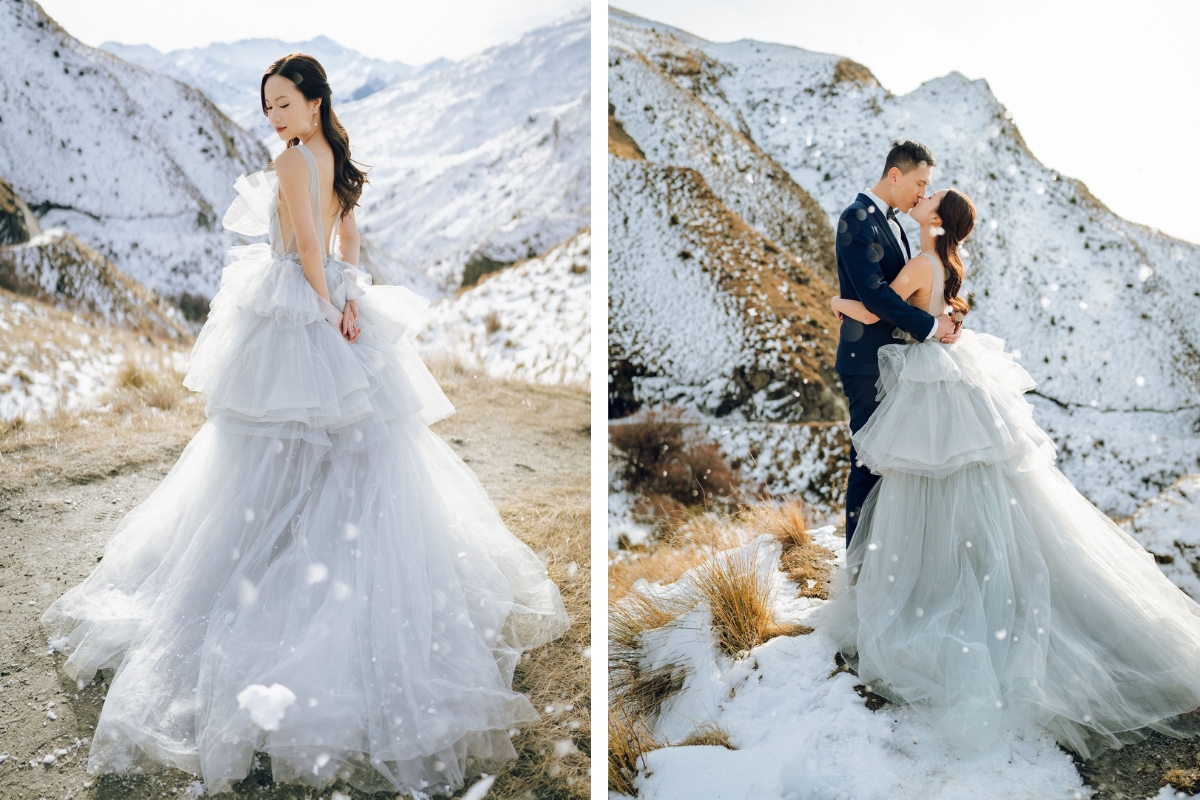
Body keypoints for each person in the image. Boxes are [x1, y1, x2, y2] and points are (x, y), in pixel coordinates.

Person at [41, 53, 569, 797]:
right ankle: (311, 557)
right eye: (269, 106)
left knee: (264, 457)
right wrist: (352, 299)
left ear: (315, 103)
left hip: (302, 308)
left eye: (285, 103)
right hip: (334, 302)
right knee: (346, 452)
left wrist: (326, 306)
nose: (275, 118)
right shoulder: (333, 159)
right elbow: (347, 242)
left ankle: (270, 562)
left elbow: (313, 250)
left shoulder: (292, 162)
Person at [818, 186, 1200, 759]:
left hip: (927, 378)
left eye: (932, 198)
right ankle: (962, 576)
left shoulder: (924, 259)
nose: (923, 197)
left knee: (930, 480)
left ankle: (933, 586)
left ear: (939, 223)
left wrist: (836, 304)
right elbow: (926, 311)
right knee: (964, 483)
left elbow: (875, 309)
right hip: (945, 369)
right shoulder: (940, 262)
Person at [833, 139, 961, 546]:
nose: (922, 193)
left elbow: (886, 297)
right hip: (867, 363)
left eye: (928, 188)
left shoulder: (895, 225)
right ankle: (858, 565)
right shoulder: (856, 219)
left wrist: (837, 302)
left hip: (895, 364)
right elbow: (875, 296)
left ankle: (886, 556)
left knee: (891, 464)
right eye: (920, 183)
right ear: (895, 175)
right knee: (868, 464)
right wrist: (930, 326)